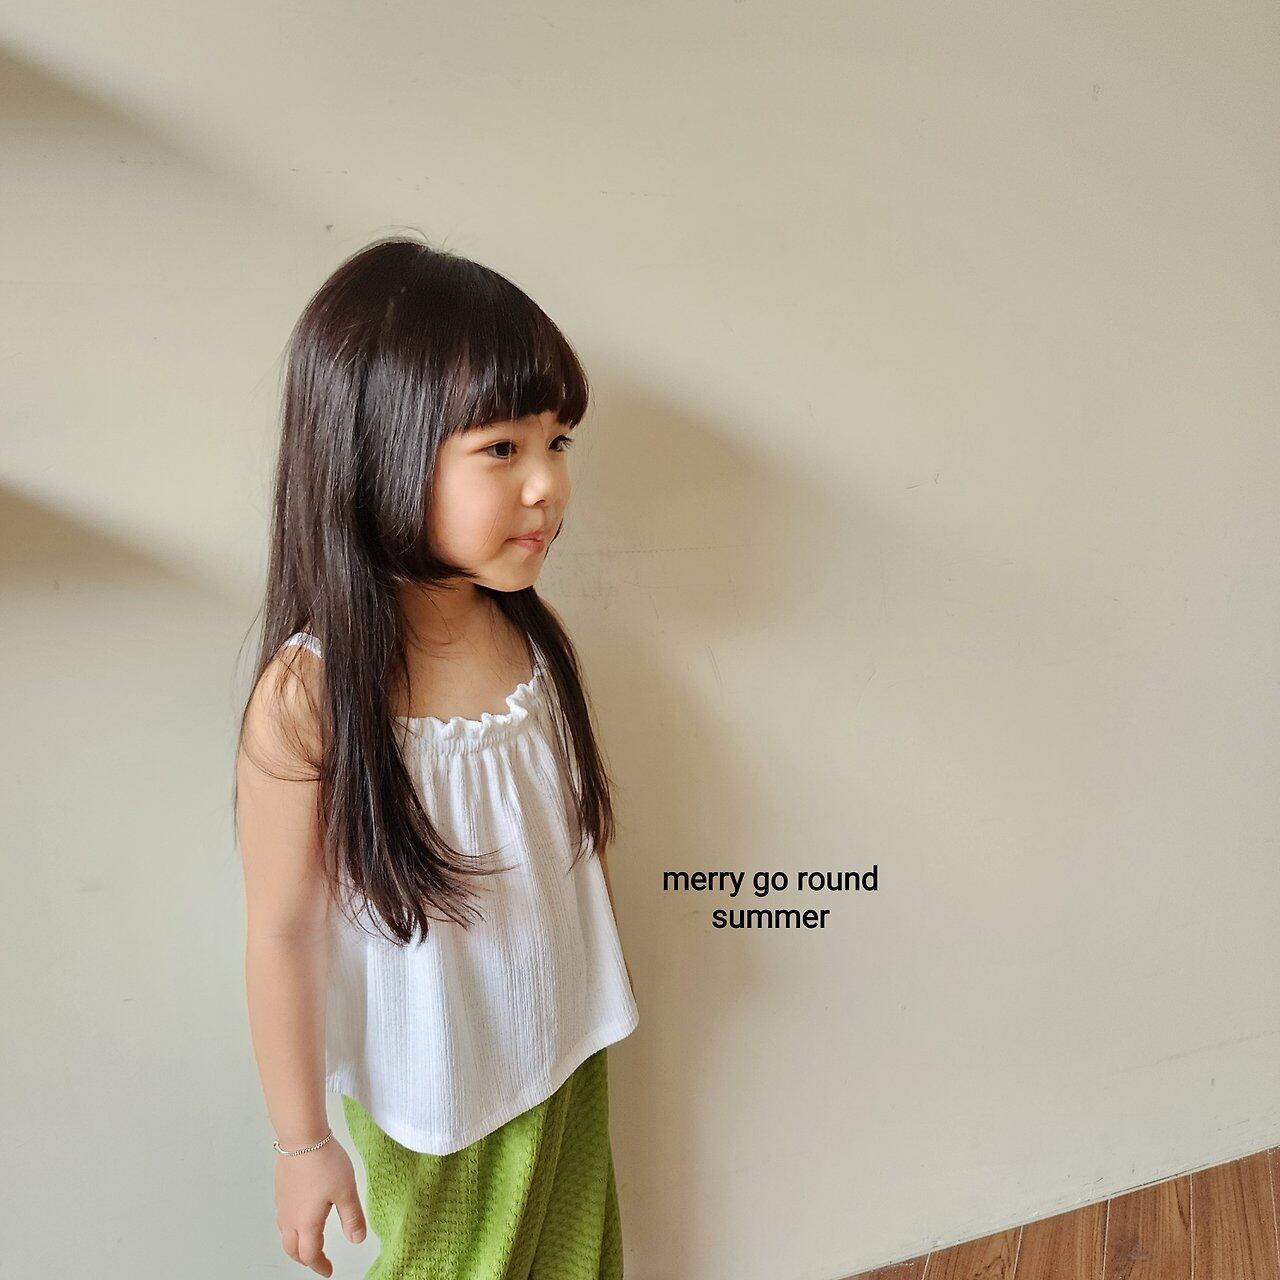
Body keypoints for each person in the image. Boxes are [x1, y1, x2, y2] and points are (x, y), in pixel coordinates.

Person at [234, 234, 640, 1279]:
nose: (548, 485)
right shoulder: (312, 698)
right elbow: (281, 931)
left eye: (557, 441)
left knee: (576, 1260)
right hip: (436, 1096)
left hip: (563, 1049)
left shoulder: (527, 636)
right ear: (376, 452)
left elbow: (557, 841)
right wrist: (301, 1143)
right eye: (502, 448)